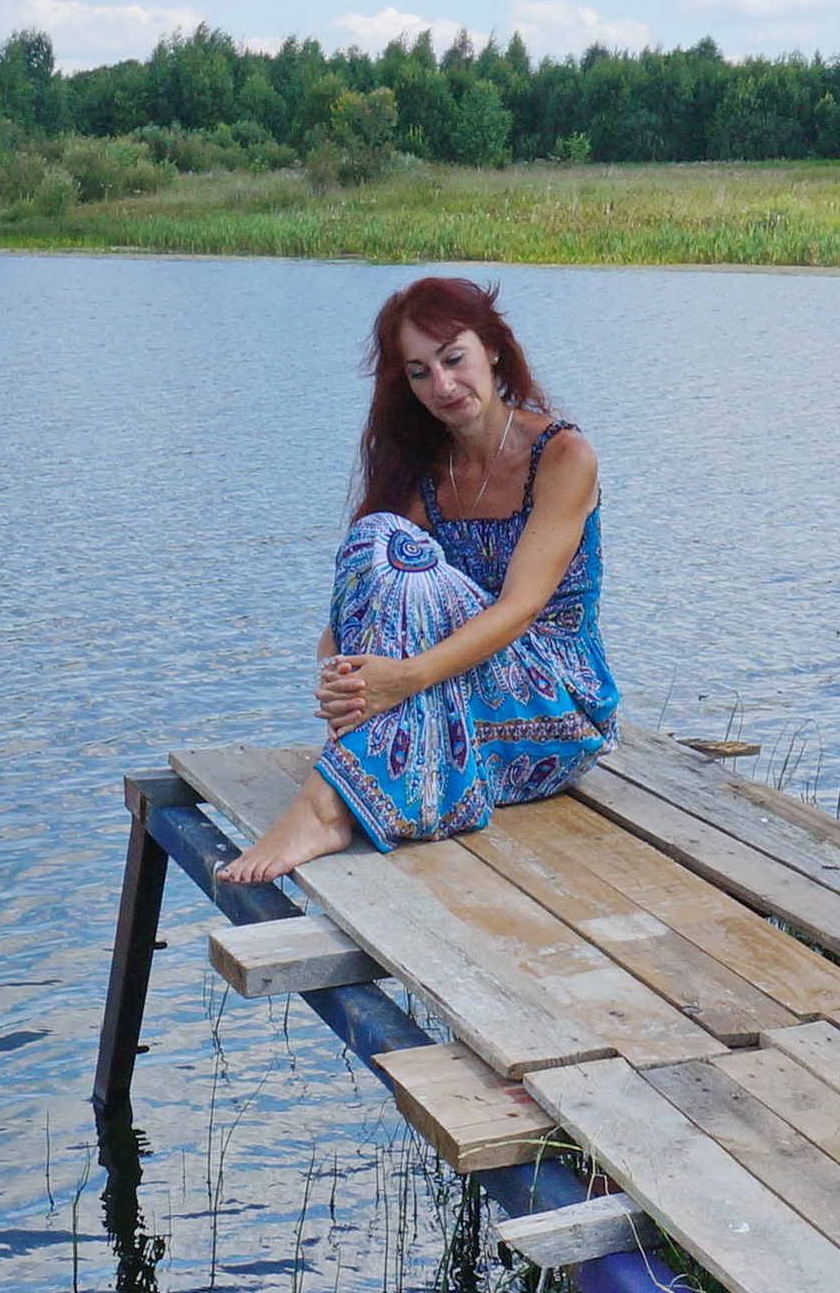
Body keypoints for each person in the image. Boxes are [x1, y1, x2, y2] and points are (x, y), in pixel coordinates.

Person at [220, 277, 616, 885]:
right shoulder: (423, 468)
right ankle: (336, 800)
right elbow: (358, 598)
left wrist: (401, 680)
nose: (443, 386)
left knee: (406, 559)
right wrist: (341, 678)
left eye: (454, 359)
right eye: (419, 373)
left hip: (555, 705)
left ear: (492, 348)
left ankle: (325, 807)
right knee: (378, 538)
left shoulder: (563, 456)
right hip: (453, 691)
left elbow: (521, 607)